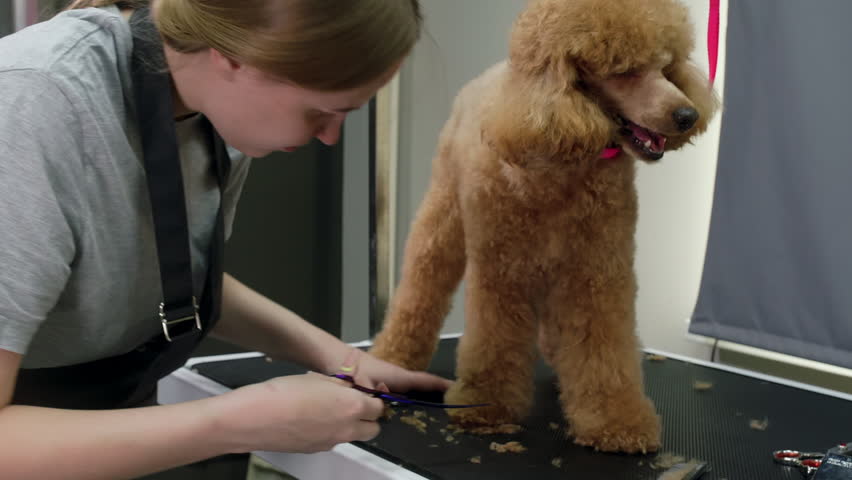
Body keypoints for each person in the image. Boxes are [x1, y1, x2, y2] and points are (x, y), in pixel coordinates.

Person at [0, 0, 451, 478]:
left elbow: (154, 273)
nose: (329, 136)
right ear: (233, 57)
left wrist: (341, 360)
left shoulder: (211, 110)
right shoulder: (31, 107)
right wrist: (238, 422)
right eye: (321, 111)